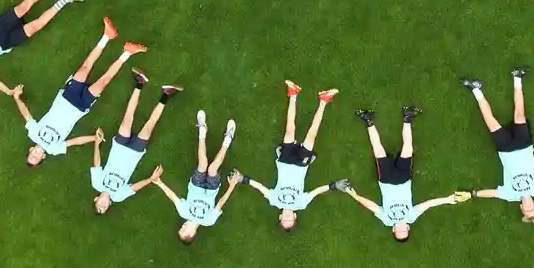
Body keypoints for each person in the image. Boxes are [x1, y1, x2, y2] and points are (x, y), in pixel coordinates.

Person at [16, 19, 146, 165]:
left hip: (66, 97)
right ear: (43, 157)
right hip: (80, 107)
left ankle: (107, 36)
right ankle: (127, 53)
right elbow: (75, 141)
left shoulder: (33, 133)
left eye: (32, 155)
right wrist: (94, 138)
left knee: (85, 67)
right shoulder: (54, 149)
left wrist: (16, 98)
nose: (35, 154)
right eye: (36, 158)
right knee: (103, 82)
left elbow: (26, 114)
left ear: (31, 149)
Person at [459, 67, 534, 223]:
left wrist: (473, 194)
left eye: (526, 210)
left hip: (505, 150)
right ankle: (517, 77)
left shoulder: (511, 195)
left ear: (521, 208)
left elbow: (493, 193)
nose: (528, 207)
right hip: (524, 145)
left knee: (490, 122)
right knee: (519, 115)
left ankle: (476, 89)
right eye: (532, 209)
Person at [339, 107, 469, 239]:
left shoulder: (387, 220)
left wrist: (355, 196)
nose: (401, 229)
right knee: (408, 149)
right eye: (404, 231)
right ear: (408, 227)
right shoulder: (411, 217)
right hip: (404, 179)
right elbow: (428, 204)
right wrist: (447, 200)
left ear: (393, 229)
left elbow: (372, 207)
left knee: (378, 151)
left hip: (386, 180)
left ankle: (368, 120)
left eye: (398, 232)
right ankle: (407, 118)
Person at [236, 80, 342, 229]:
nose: (286, 219)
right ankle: (323, 101)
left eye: (283, 221)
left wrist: (243, 179)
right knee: (311, 135)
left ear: (280, 217)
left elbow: (261, 188)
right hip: (301, 165)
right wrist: (333, 186)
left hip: (284, 162)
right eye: (290, 221)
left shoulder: (275, 201)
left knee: (289, 130)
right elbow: (315, 192)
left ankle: (293, 94)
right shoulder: (301, 204)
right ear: (294, 216)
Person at [90, 78, 183, 213]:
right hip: (135, 152)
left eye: (99, 206)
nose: (103, 206)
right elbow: (134, 187)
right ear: (109, 204)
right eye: (105, 208)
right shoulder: (118, 196)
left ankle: (139, 83)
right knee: (149, 125)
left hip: (119, 146)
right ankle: (166, 94)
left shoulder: (97, 184)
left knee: (128, 117)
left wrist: (96, 143)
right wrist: (151, 179)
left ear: (96, 199)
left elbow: (97, 164)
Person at [153, 109, 241, 242]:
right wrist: (232, 186)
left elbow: (173, 197)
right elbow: (221, 202)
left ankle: (202, 130)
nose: (182, 226)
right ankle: (228, 139)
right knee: (212, 168)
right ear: (192, 233)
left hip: (196, 185)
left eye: (181, 228)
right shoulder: (209, 221)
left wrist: (159, 183)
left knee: (203, 164)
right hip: (211, 189)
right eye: (183, 230)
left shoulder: (184, 213)